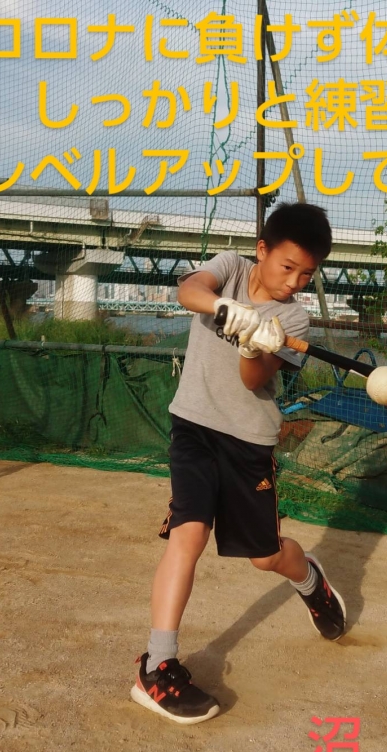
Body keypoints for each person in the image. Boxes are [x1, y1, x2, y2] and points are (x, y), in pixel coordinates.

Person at [130, 202, 346, 725]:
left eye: (306, 274)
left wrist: (255, 346)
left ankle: (309, 581)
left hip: (248, 441)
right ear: (262, 250)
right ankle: (156, 665)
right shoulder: (229, 268)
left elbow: (253, 381)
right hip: (193, 425)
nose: (293, 282)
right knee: (188, 534)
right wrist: (230, 311)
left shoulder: (293, 319)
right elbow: (189, 292)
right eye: (287, 266)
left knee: (265, 558)